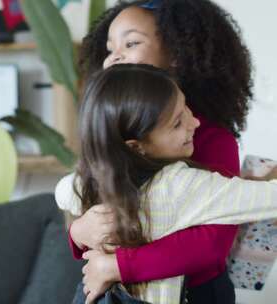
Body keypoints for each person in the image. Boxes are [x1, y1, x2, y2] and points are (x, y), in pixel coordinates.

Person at [68, 0, 260, 302]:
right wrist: (78, 233)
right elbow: (84, 198)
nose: (114, 56)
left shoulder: (208, 138)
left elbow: (211, 246)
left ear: (177, 56)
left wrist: (118, 265)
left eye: (131, 43)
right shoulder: (111, 137)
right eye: (109, 48)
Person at [55, 63, 277, 304]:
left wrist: (79, 234)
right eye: (177, 123)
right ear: (136, 147)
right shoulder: (180, 186)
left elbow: (62, 192)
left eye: (186, 109)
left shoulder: (89, 179)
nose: (195, 123)